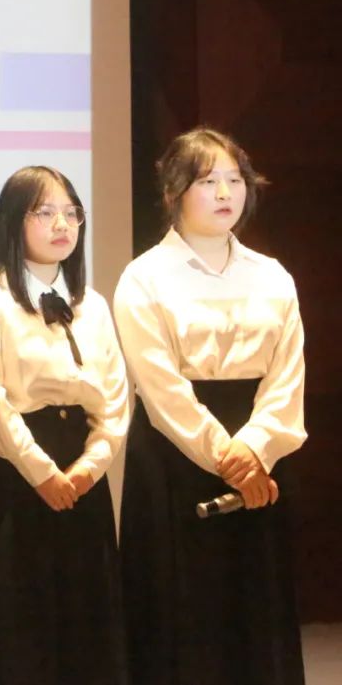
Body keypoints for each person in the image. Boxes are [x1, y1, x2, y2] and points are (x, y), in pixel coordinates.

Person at [114, 127, 306, 685]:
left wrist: (256, 449)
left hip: (260, 455)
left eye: (235, 180)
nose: (225, 193)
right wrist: (226, 456)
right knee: (182, 613)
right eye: (207, 181)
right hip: (175, 455)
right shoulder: (144, 278)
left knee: (256, 608)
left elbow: (287, 375)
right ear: (173, 192)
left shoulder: (272, 275)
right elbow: (160, 387)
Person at [0, 166, 129, 685]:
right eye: (45, 212)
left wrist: (92, 464)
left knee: (83, 615)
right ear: (14, 220)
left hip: (80, 472)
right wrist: (41, 472)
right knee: (13, 616)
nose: (62, 224)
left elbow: (115, 398)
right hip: (7, 469)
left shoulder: (92, 304)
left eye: (71, 213)